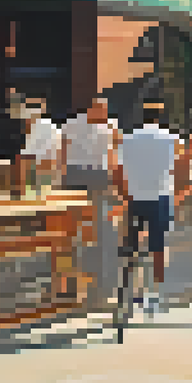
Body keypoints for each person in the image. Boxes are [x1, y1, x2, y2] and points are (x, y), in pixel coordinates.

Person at [115, 102, 181, 316]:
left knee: (131, 246)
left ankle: (129, 292)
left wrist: (123, 195)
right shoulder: (172, 139)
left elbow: (117, 171)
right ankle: (156, 294)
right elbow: (180, 168)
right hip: (160, 195)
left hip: (135, 197)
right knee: (159, 246)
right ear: (160, 117)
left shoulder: (127, 139)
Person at [62, 99, 120, 308]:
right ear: (91, 108)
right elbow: (63, 150)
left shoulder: (110, 125)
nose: (103, 114)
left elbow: (113, 155)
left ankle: (101, 283)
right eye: (100, 110)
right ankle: (72, 283)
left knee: (100, 226)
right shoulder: (72, 124)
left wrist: (114, 182)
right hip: (77, 173)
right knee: (75, 227)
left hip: (97, 174)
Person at [17, 96, 62, 196]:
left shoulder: (38, 128)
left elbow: (25, 159)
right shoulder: (50, 126)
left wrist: (21, 188)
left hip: (44, 175)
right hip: (53, 175)